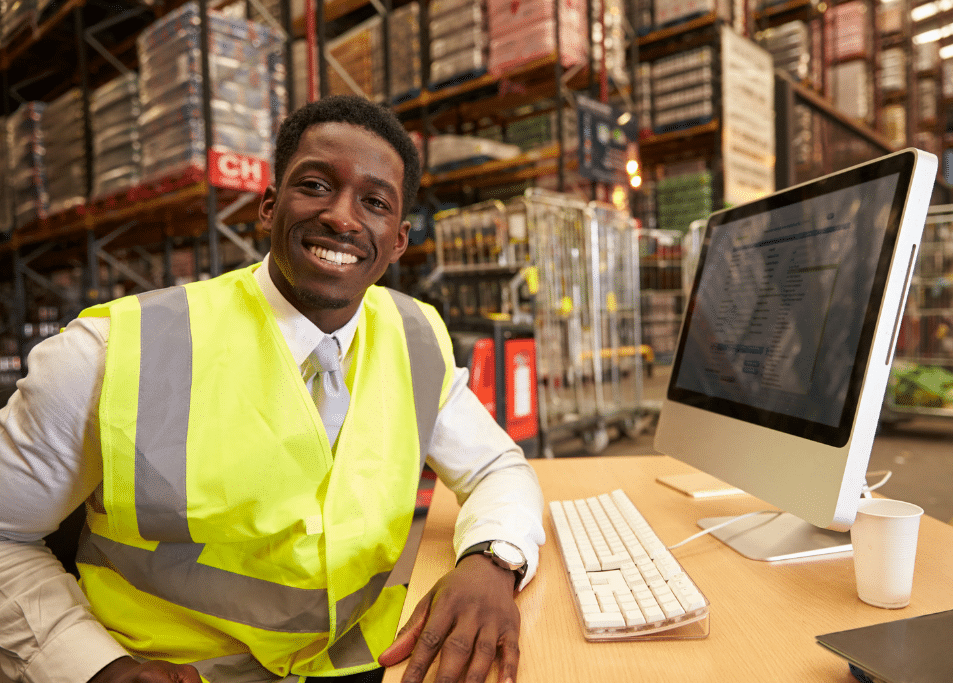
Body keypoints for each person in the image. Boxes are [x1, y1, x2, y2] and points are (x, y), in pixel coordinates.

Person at [0, 94, 545, 683]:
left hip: (361, 665)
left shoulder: (417, 336)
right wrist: (94, 667)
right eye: (315, 185)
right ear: (268, 205)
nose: (342, 216)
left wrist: (493, 560)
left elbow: (496, 468)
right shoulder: (108, 353)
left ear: (398, 241)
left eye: (374, 202)